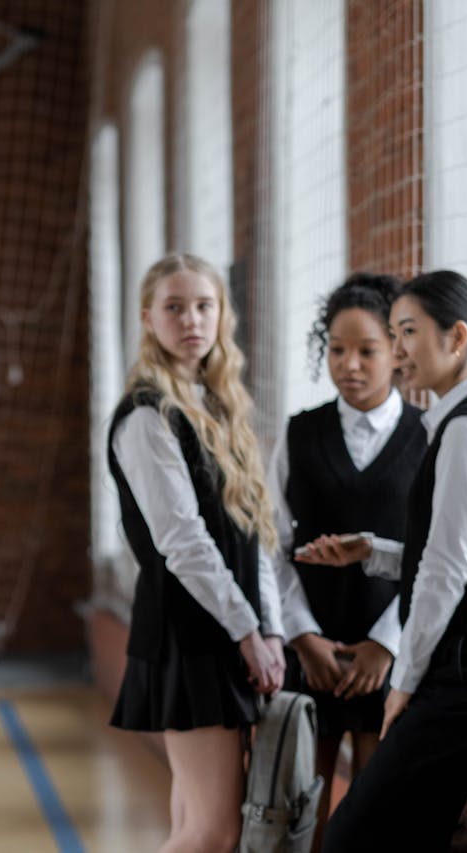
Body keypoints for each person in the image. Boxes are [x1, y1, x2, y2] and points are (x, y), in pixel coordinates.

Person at [306, 270, 467, 852]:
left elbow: (447, 568)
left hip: (463, 681)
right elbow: (459, 551)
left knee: (351, 837)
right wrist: (375, 553)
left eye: (407, 332)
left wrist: (402, 682)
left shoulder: (464, 429)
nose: (398, 350)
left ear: (456, 338)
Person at [106, 252, 286, 852]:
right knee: (213, 834)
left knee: (193, 825)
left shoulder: (219, 405)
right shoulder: (146, 415)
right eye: (175, 307)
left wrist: (271, 628)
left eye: (204, 306)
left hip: (227, 631)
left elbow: (253, 530)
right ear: (147, 318)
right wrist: (246, 631)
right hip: (191, 634)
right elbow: (182, 540)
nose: (192, 320)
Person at [270, 273, 426, 850]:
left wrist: (386, 643)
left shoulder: (429, 436)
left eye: (367, 350)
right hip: (311, 653)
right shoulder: (299, 433)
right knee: (299, 809)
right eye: (337, 349)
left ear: (396, 351)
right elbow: (271, 544)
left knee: (374, 809)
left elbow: (437, 558)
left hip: (389, 655)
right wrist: (303, 636)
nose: (350, 364)